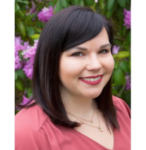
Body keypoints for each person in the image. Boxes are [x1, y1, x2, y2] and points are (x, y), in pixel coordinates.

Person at [15, 6, 131, 150]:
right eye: (78, 54)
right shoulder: (26, 134)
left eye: (103, 51)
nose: (95, 65)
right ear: (51, 61)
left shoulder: (120, 109)